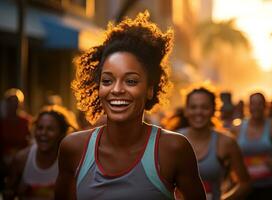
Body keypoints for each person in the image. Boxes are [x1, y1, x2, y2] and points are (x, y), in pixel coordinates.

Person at [55, 11, 206, 200]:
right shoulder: (73, 148)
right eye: (108, 81)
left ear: (150, 89)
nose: (117, 90)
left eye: (131, 81)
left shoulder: (173, 149)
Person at [177, 86, 251, 200]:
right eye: (193, 107)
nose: (198, 112)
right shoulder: (173, 139)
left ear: (214, 110)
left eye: (205, 107)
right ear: (186, 111)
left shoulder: (227, 142)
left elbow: (245, 183)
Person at [3, 105, 77, 200]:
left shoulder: (67, 162)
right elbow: (8, 193)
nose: (43, 133)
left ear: (61, 133)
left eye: (50, 129)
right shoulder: (22, 159)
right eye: (40, 128)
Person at [235, 93, 272, 200]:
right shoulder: (238, 128)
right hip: (244, 186)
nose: (256, 107)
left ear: (265, 106)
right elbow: (230, 155)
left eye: (260, 104)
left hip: (268, 185)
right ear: (248, 106)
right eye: (253, 104)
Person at [0, 89, 31, 192]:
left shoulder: (26, 121)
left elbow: (30, 141)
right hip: (4, 162)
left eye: (16, 102)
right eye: (10, 102)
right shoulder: (2, 122)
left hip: (23, 160)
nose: (13, 105)